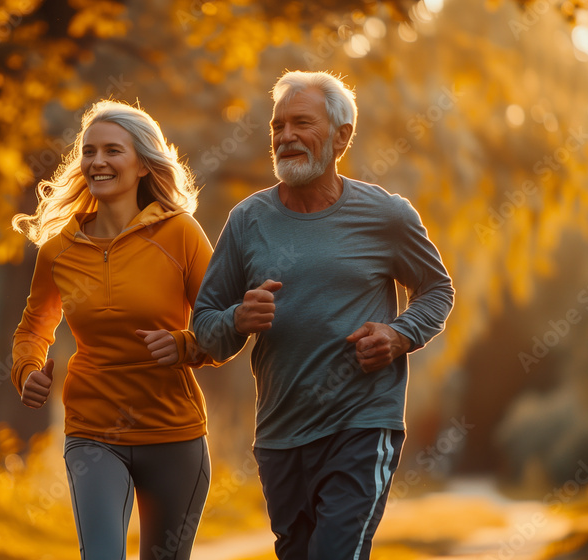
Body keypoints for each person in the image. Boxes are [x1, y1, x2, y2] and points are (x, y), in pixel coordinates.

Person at [192, 70, 455, 560]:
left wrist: (400, 335)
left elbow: (437, 289)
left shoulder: (387, 216)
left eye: (301, 123)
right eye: (277, 126)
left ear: (341, 136)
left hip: (362, 423)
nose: (286, 136)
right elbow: (205, 326)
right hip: (280, 434)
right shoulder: (247, 221)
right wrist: (237, 320)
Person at [10, 99, 220, 560]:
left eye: (112, 150)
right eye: (89, 151)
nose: (97, 162)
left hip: (173, 431)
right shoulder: (60, 248)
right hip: (93, 429)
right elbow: (33, 326)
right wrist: (27, 370)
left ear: (144, 163)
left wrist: (185, 345)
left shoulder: (180, 234)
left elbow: (221, 323)